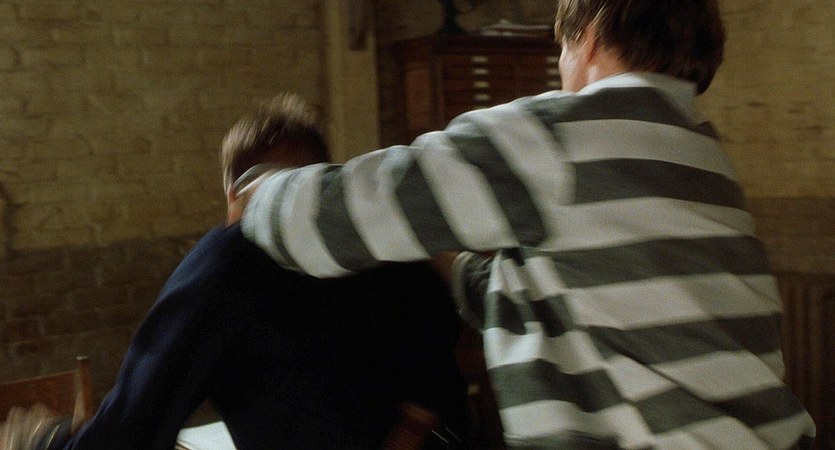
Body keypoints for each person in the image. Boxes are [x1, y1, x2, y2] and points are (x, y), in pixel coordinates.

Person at [235, 1, 816, 449]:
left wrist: (260, 195)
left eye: (560, 48)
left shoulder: (559, 137)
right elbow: (570, 297)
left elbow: (342, 214)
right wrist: (439, 251)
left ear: (588, 36)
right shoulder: (702, 159)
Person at [1, 94, 468, 449]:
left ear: (234, 195)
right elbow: (440, 372)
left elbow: (135, 426)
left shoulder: (231, 260)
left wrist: (43, 441)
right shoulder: (375, 241)